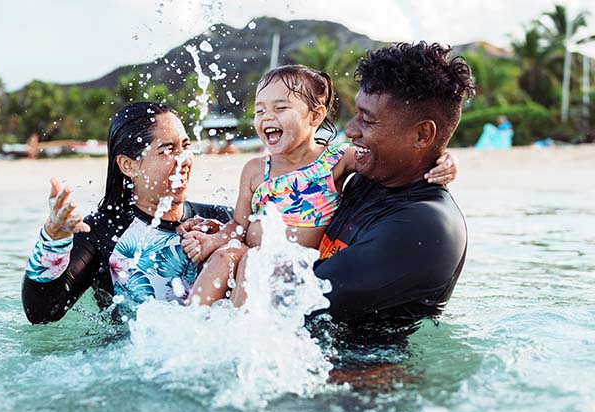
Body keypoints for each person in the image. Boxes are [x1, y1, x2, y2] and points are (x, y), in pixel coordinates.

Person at [181, 65, 458, 306]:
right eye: (260, 110)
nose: (267, 117)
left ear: (315, 116)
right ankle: (192, 324)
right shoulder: (255, 170)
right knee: (224, 257)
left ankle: (238, 334)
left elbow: (400, 156)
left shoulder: (335, 160)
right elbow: (238, 225)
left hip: (293, 265)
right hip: (252, 252)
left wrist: (444, 160)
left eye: (280, 108)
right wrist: (213, 240)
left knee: (253, 265)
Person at [306, 42, 474, 327]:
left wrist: (232, 253)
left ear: (422, 135)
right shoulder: (369, 180)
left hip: (360, 370)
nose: (350, 130)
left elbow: (296, 299)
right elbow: (287, 216)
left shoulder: (425, 226)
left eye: (367, 119)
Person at [21, 102, 232, 324]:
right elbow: (41, 313)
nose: (184, 159)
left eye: (185, 146)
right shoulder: (102, 233)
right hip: (125, 354)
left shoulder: (222, 220)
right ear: (128, 166)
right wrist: (53, 240)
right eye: (168, 150)